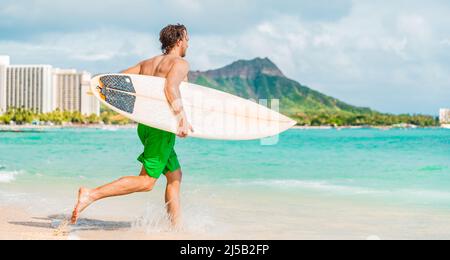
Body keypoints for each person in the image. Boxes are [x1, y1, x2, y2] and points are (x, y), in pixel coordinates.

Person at [71, 24, 193, 228]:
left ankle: (175, 229)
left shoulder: (147, 64)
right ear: (179, 40)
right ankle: (91, 194)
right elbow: (170, 87)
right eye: (187, 39)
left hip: (145, 126)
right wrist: (182, 118)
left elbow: (116, 81)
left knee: (174, 175)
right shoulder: (180, 63)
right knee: (146, 182)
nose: (189, 43)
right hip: (161, 128)